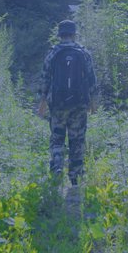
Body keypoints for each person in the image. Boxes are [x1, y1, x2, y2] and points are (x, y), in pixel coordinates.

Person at [38, 20, 97, 186]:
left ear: (60, 34)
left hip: (57, 105)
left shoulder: (53, 52)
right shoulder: (83, 52)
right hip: (79, 105)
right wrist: (93, 101)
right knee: (77, 140)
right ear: (74, 33)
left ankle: (57, 164)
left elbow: (45, 77)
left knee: (57, 138)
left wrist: (42, 101)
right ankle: (75, 179)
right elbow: (91, 77)